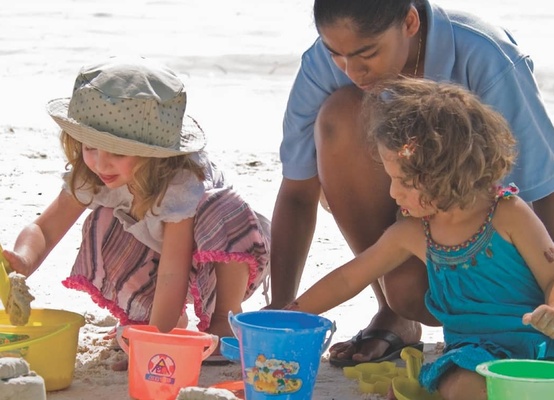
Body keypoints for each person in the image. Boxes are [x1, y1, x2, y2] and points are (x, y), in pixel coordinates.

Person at [268, 0, 554, 366]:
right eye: (336, 55)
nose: (352, 70)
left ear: (410, 22)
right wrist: (282, 314)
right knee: (340, 115)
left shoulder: (488, 56)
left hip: (519, 308)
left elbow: (543, 189)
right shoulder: (408, 234)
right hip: (460, 322)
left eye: (366, 53)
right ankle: (393, 312)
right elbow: (344, 274)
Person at [284, 78, 554, 400]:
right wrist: (290, 315)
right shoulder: (412, 234)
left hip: (540, 347)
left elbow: (551, 275)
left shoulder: (508, 213)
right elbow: (348, 278)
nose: (393, 192)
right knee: (465, 387)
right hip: (473, 355)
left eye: (404, 181)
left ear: (446, 173)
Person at [1, 56, 271, 367]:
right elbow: (45, 229)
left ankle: (223, 320)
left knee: (222, 207)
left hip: (223, 258)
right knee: (102, 220)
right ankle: (150, 318)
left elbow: (173, 273)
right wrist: (23, 260)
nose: (100, 163)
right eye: (90, 147)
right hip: (160, 254)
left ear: (153, 154)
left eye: (117, 152)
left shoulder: (180, 182)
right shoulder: (95, 174)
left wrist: (153, 345)